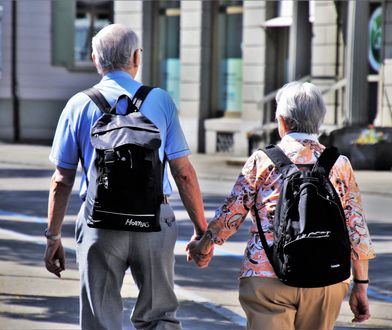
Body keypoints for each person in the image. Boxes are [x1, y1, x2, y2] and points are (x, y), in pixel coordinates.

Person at [44, 24, 208, 330]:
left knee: (99, 319)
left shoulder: (77, 105)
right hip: (154, 221)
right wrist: (202, 230)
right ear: (136, 57)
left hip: (100, 225)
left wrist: (53, 237)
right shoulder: (160, 101)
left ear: (95, 58)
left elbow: (62, 180)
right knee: (159, 316)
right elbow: (183, 173)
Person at [187, 81, 376, 330]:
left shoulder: (262, 161)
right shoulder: (339, 164)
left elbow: (231, 214)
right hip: (326, 279)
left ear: (282, 121)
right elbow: (356, 228)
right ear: (319, 120)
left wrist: (204, 244)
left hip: (267, 275)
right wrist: (360, 285)